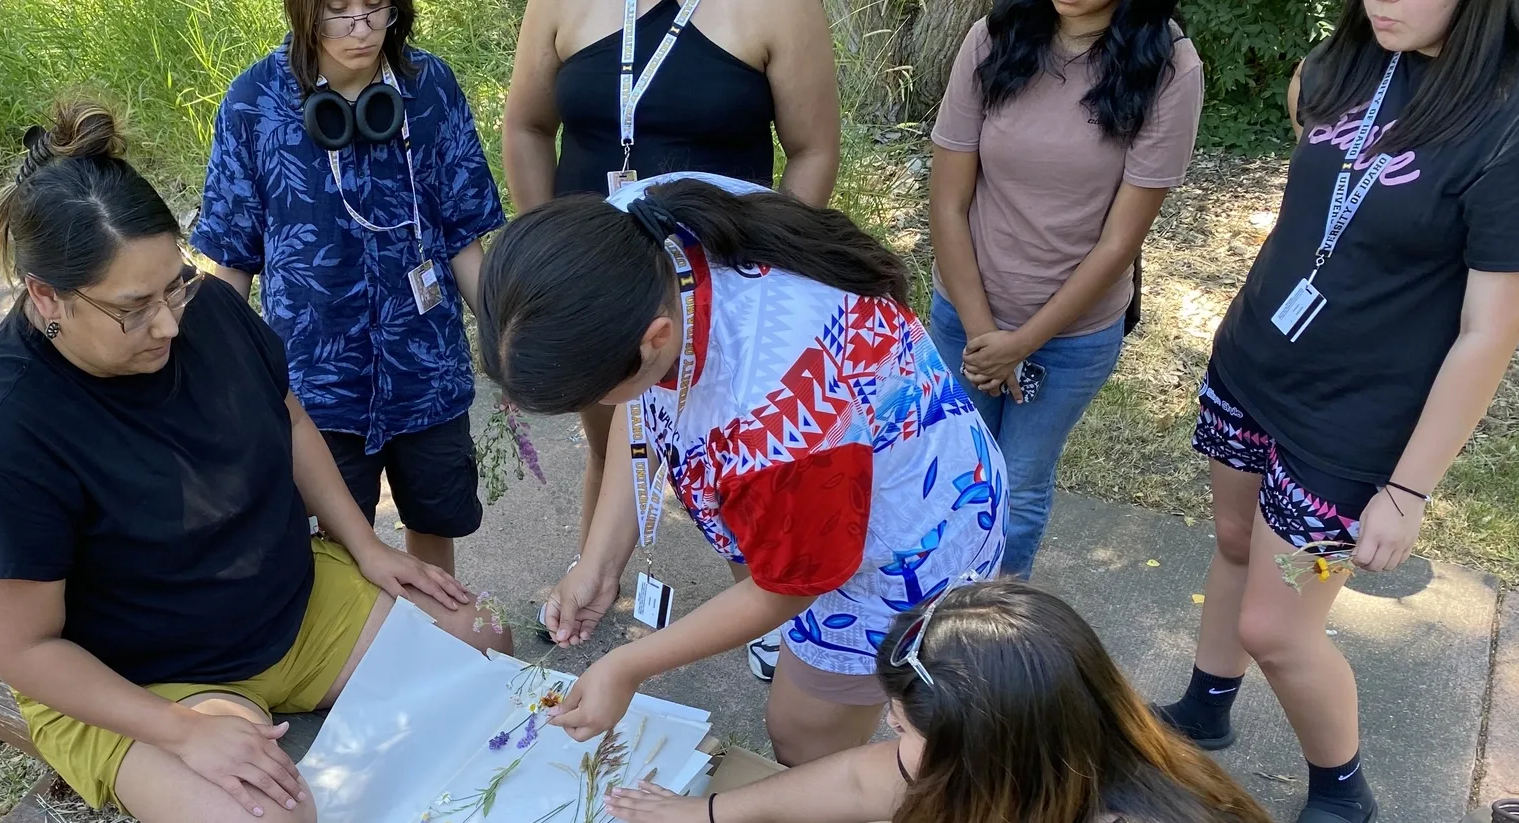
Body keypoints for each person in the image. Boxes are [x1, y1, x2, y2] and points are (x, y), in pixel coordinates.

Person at [0, 101, 511, 823]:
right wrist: (181, 730)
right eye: (133, 307)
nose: (169, 321)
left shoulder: (208, 309)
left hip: (287, 602)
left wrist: (365, 545)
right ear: (47, 296)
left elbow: (288, 417)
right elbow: (24, 647)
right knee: (267, 816)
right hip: (141, 679)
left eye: (176, 282)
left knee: (483, 639)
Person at [478, 172, 1008, 767]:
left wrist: (627, 664)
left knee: (801, 736)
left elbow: (792, 583)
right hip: (832, 490)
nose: (607, 406)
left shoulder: (776, 421)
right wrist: (598, 564)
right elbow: (646, 400)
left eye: (599, 391)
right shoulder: (633, 232)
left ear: (654, 339)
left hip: (904, 548)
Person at [1152, 2, 1519, 821]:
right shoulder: (1349, 61)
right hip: (1253, 363)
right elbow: (1330, 212)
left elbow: (1491, 330)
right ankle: (1206, 706)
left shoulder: (1516, 116)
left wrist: (1408, 489)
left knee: (1279, 626)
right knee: (1229, 543)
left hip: (1354, 429)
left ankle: (1341, 789)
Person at [502, 0, 843, 681]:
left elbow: (814, 150)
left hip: (718, 298)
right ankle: (594, 577)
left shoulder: (779, 8)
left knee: (735, 465)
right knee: (617, 441)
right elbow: (525, 124)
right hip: (601, 302)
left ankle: (775, 600)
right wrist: (556, 269)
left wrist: (761, 280)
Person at [190, 0, 505, 576]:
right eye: (338, 11)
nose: (361, 30)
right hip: (316, 388)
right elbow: (231, 258)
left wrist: (505, 332)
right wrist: (206, 376)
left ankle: (437, 641)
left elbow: (463, 234)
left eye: (375, 9)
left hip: (427, 369)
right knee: (331, 550)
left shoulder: (430, 85)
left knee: (434, 523)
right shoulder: (251, 103)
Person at [602, 581, 1273, 823]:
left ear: (987, 751)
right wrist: (707, 812)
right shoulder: (1057, 761)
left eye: (901, 725)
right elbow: (868, 780)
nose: (890, 742)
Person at [928, 0, 1204, 580]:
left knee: (1019, 483)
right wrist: (984, 334)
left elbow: (1118, 244)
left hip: (1072, 334)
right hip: (964, 313)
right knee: (953, 472)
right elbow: (948, 203)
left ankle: (992, 626)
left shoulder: (1170, 67)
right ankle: (935, 614)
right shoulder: (993, 38)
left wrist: (1023, 342)